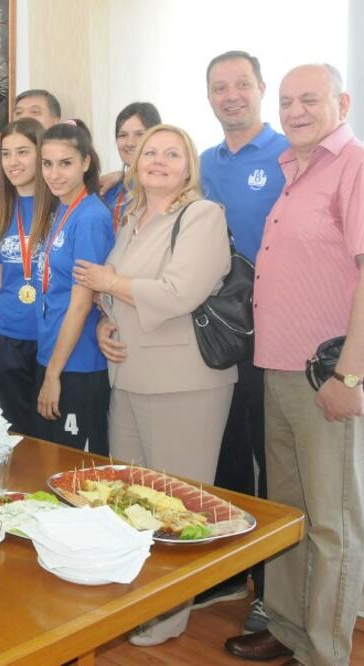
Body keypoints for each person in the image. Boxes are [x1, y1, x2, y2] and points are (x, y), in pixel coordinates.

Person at [225, 63, 364, 666]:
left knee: (331, 523)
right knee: (288, 515)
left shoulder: (354, 166)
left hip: (325, 379)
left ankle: (325, 652)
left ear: (343, 103)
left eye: (310, 99)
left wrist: (349, 376)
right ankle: (285, 629)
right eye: (287, 101)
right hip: (276, 370)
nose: (295, 111)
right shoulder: (294, 170)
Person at [75, 124, 235, 646]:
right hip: (129, 378)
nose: (160, 161)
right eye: (151, 153)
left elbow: (179, 291)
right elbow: (113, 294)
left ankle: (169, 614)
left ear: (189, 168)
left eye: (172, 154)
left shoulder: (202, 215)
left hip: (184, 382)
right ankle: (140, 603)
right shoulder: (132, 218)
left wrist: (108, 283)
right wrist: (103, 321)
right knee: (130, 502)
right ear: (136, 162)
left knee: (180, 506)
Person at [196, 49, 289, 632]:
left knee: (270, 462)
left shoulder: (287, 154)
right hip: (216, 332)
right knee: (226, 452)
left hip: (274, 333)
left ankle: (272, 593)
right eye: (219, 87)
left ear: (260, 88)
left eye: (240, 84)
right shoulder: (204, 162)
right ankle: (229, 573)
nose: (230, 95)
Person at [29, 121, 113, 454]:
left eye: (65, 163)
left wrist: (53, 375)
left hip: (78, 363)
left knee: (77, 469)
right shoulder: (62, 208)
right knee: (50, 462)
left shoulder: (90, 217)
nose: (54, 174)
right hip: (53, 354)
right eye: (47, 164)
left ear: (85, 162)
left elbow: (80, 303)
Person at [0, 118, 44, 437]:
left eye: (22, 152)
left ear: (41, 153)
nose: (13, 162)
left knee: (48, 436)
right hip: (5, 335)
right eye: (6, 154)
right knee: (14, 436)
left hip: (48, 336)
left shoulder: (59, 207)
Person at [101, 102, 162, 230]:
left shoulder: (167, 189)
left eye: (139, 134)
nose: (130, 143)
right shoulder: (109, 191)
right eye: (123, 135)